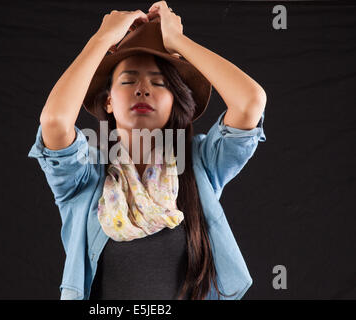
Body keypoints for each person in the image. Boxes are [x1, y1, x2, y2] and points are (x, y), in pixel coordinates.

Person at [28, 1, 266, 300]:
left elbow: (250, 103)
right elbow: (54, 121)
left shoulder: (200, 164)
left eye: (159, 83)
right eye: (128, 81)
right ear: (108, 102)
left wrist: (178, 41)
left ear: (174, 102)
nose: (143, 89)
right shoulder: (84, 179)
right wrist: (101, 39)